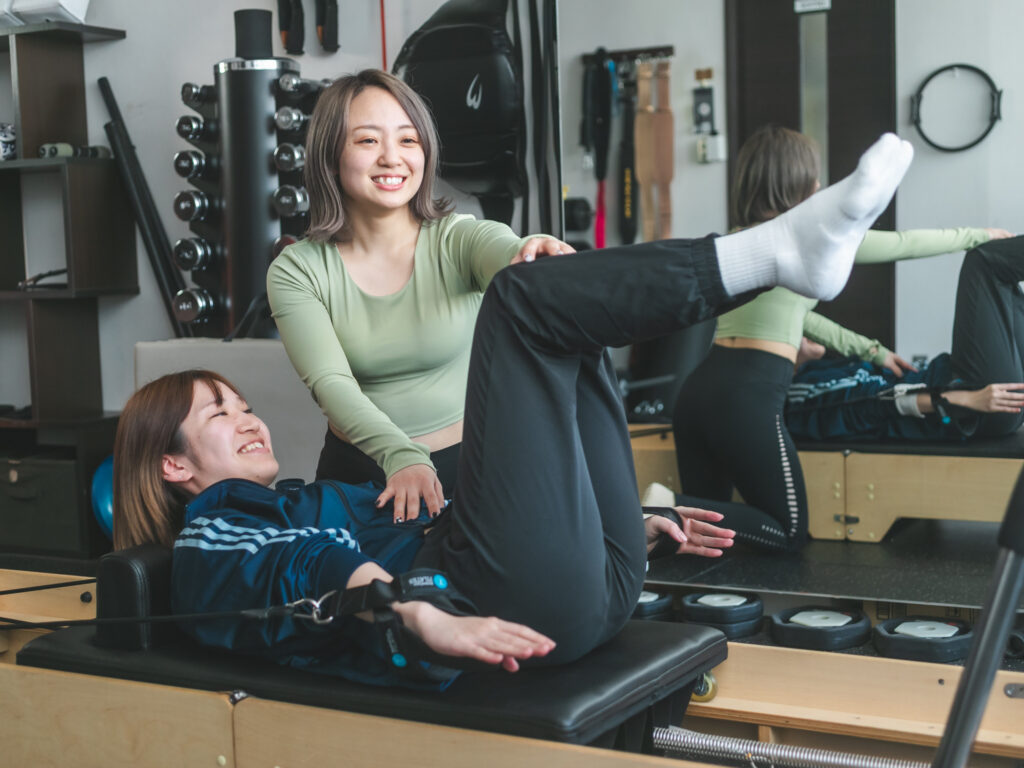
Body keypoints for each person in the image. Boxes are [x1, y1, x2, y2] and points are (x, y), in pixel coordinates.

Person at [113, 131, 914, 687]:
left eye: (243, 404)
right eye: (219, 415)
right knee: (521, 305)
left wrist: (621, 522)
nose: (249, 419)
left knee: (566, 326)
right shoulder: (212, 534)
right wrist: (419, 615)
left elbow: (402, 526)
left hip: (583, 584)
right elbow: (308, 566)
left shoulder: (296, 498)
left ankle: (780, 252)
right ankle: (776, 252)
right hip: (496, 601)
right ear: (172, 465)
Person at [670, 124, 1011, 553]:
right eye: (813, 177)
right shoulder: (811, 239)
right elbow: (903, 244)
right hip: (747, 397)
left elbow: (796, 317)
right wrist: (980, 236)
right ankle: (660, 508)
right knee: (786, 532)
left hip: (697, 393)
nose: (819, 186)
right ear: (796, 183)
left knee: (701, 534)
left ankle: (663, 510)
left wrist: (871, 350)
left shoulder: (731, 243)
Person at [267, 69, 572, 524]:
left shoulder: (457, 238)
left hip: (477, 464)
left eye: (408, 140)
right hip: (361, 476)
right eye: (368, 140)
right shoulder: (298, 270)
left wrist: (532, 249)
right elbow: (331, 384)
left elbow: (504, 250)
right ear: (331, 157)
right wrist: (401, 454)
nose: (392, 157)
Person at [786, 234, 1024, 442]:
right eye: (796, 330)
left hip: (989, 398)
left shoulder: (821, 370)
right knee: (983, 262)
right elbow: (870, 405)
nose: (807, 334)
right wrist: (967, 400)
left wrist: (874, 353)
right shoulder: (798, 393)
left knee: (1005, 284)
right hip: (977, 405)